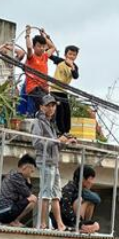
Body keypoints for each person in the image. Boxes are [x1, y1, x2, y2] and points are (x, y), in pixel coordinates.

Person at [32, 95, 75, 231]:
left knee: (56, 195)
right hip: (45, 162)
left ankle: (60, 224)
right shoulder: (38, 122)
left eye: (53, 106)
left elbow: (56, 146)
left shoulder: (51, 123)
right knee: (45, 193)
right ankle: (43, 224)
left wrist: (65, 142)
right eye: (48, 106)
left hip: (53, 163)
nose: (51, 108)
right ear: (41, 107)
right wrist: (57, 140)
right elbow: (37, 143)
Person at [0, 154, 38, 226]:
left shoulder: (13, 173)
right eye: (31, 171)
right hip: (5, 212)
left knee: (27, 198)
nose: (31, 174)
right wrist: (28, 180)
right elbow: (29, 194)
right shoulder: (17, 177)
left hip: (1, 213)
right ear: (25, 167)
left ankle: (14, 221)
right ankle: (15, 221)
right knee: (33, 199)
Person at [24, 26, 57, 113]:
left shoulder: (45, 56)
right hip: (33, 87)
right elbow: (29, 48)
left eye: (43, 46)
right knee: (45, 104)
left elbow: (53, 48)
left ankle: (47, 124)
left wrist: (44, 36)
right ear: (34, 47)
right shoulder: (31, 57)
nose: (42, 48)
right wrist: (27, 34)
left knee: (51, 107)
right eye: (39, 46)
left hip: (44, 88)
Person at [60, 165, 101, 233]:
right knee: (79, 199)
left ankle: (85, 224)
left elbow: (97, 199)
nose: (92, 182)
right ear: (82, 178)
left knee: (90, 202)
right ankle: (80, 225)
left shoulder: (81, 189)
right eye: (91, 179)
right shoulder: (69, 188)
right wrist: (79, 224)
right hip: (65, 220)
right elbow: (66, 209)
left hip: (77, 220)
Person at [50, 45, 79, 135]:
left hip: (63, 92)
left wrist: (72, 67)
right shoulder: (60, 61)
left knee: (67, 112)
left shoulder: (75, 67)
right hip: (55, 90)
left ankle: (67, 131)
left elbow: (75, 76)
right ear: (65, 54)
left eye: (74, 55)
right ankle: (61, 131)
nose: (71, 56)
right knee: (60, 110)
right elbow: (50, 55)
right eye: (70, 54)